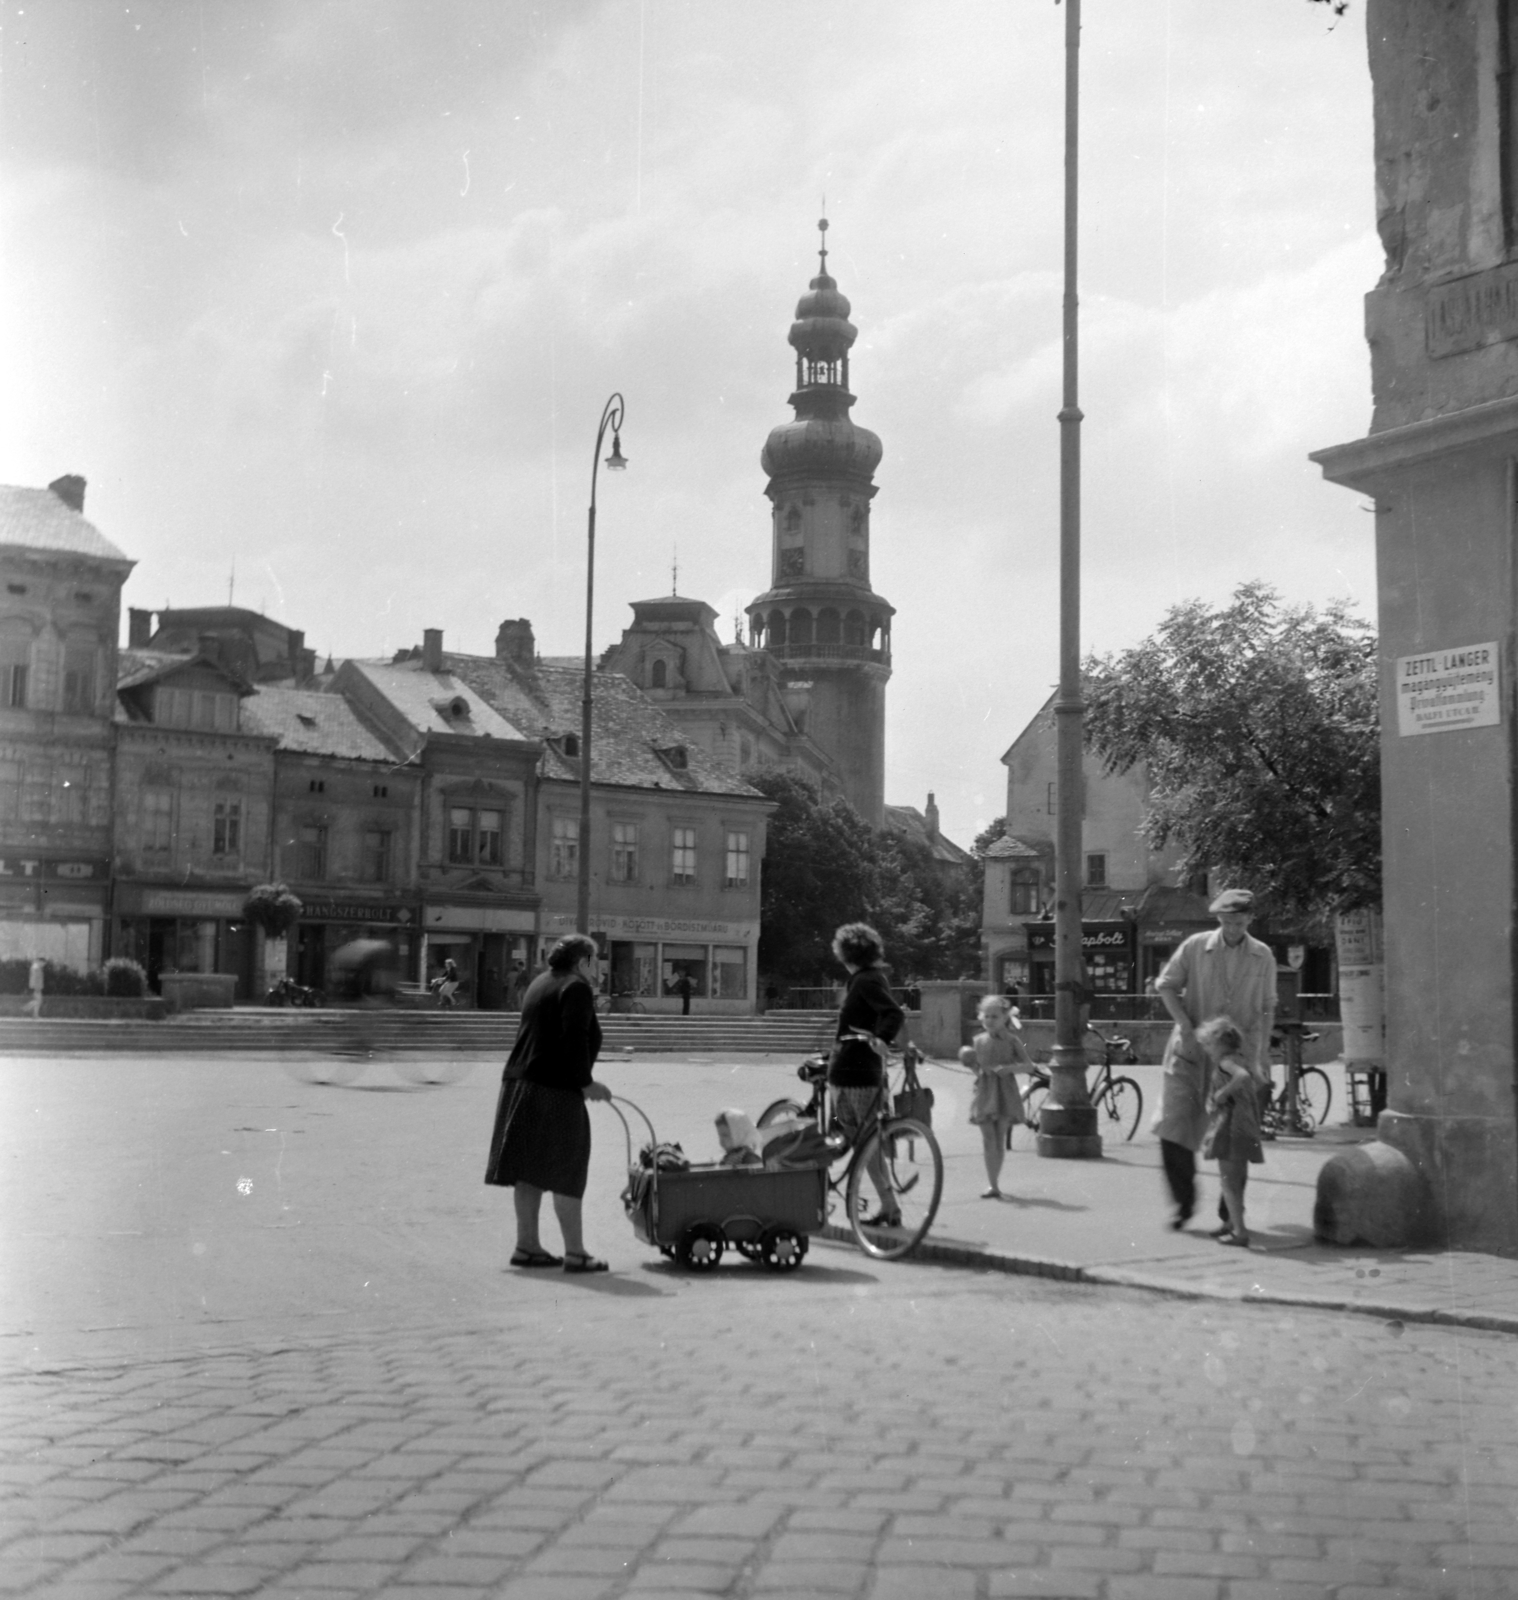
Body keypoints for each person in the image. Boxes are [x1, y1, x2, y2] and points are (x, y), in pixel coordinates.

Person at [484, 934, 613, 1273]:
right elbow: (574, 1039)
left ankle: (527, 1245)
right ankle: (576, 1252)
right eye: (595, 960)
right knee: (567, 1168)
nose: (597, 967)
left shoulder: (540, 983)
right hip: (555, 1089)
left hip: (519, 1084)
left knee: (529, 1171)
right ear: (583, 961)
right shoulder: (577, 988)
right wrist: (586, 1083)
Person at [1153, 889, 1277, 1231]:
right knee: (1173, 1127)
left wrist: (1262, 1054)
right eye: (1225, 922)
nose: (1232, 929)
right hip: (1192, 1050)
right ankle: (1184, 1203)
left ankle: (1229, 1217)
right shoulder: (1196, 946)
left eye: (1238, 922)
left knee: (1235, 1138)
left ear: (1251, 919)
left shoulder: (1263, 956)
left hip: (1236, 1059)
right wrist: (1185, 1025)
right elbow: (1166, 985)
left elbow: (1267, 1006)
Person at [828, 922, 907, 1226]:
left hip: (857, 1075)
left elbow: (893, 1013)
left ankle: (889, 1205)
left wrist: (881, 1039)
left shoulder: (865, 981)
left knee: (865, 1144)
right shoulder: (865, 980)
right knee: (858, 1142)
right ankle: (887, 1205)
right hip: (850, 1073)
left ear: (845, 955)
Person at [1196, 1016, 1268, 1248]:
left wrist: (1222, 1094)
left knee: (1229, 1182)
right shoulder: (1242, 1059)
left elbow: (1242, 1078)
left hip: (1230, 1127)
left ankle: (1240, 1231)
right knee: (1237, 1179)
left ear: (1219, 1044)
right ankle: (1230, 1222)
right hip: (1245, 1126)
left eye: (1208, 1045)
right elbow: (1253, 1080)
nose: (1207, 1050)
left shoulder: (1227, 1063)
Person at [958, 994, 1034, 1199]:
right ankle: (992, 1183)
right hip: (984, 1091)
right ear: (981, 1017)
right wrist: (971, 1064)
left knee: (999, 1138)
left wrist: (1008, 1069)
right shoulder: (978, 1041)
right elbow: (977, 1067)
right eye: (986, 1016)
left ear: (1005, 1018)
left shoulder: (1012, 1040)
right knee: (987, 1138)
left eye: (995, 1016)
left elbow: (1029, 1065)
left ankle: (995, 1184)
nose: (990, 1020)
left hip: (1005, 1091)